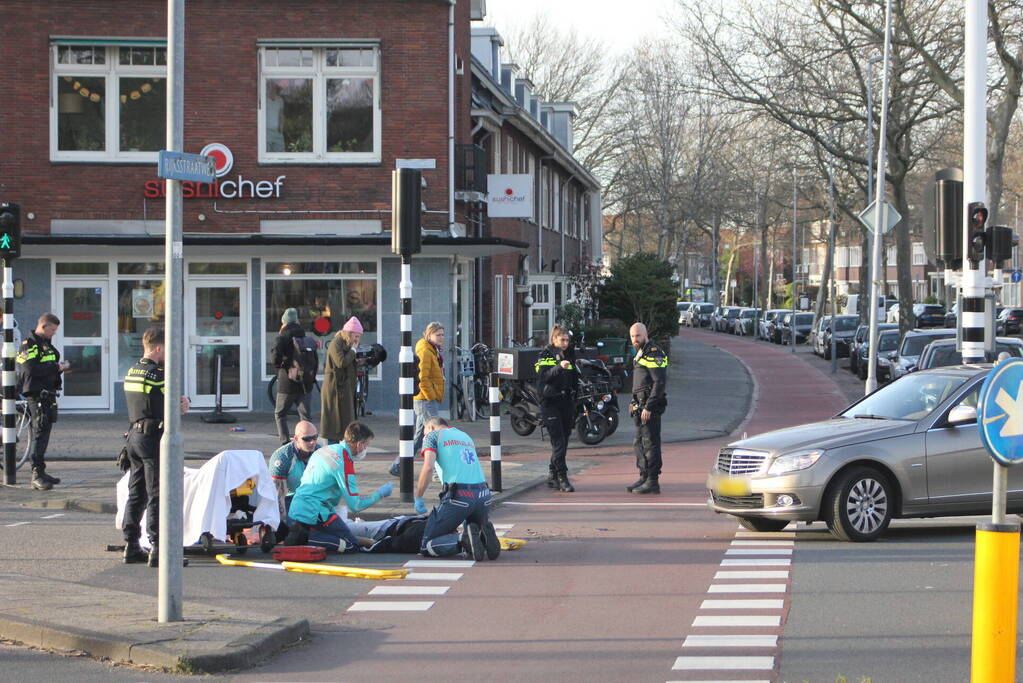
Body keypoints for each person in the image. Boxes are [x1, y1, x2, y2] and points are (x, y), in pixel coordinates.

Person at [121, 327, 191, 566]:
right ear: (159, 348)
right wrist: (184, 403)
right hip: (152, 438)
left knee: (136, 493)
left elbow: (145, 402)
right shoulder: (159, 374)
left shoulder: (132, 371)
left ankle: (131, 545)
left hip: (133, 437)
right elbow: (173, 405)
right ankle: (159, 548)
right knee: (157, 494)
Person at [283, 421, 392, 552]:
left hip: (302, 506)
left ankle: (298, 534)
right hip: (316, 511)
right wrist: (379, 494)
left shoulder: (325, 449)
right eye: (366, 444)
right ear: (359, 444)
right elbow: (355, 505)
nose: (365, 449)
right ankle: (303, 539)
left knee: (346, 536)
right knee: (350, 545)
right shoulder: (344, 461)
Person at [414, 417, 500, 560]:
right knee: (470, 528)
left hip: (459, 496)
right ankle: (481, 535)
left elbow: (428, 467)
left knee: (427, 545)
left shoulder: (432, 436)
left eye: (424, 433)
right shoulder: (465, 436)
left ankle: (462, 540)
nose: (424, 436)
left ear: (430, 427)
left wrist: (418, 497)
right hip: (483, 495)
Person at [16, 312, 70, 491]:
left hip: (48, 394)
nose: (54, 333)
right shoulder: (28, 344)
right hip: (36, 395)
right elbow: (29, 370)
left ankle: (41, 470)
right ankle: (36, 474)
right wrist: (56, 367)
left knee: (45, 431)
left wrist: (60, 369)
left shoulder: (45, 344)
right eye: (52, 330)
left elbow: (46, 367)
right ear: (44, 326)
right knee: (39, 432)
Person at [390, 322, 445, 477]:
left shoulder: (433, 350)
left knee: (420, 436)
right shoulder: (426, 352)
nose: (441, 337)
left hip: (426, 399)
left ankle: (398, 465)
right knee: (435, 434)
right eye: (438, 334)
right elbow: (422, 377)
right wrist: (430, 395)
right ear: (429, 335)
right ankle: (436, 472)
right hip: (424, 400)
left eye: (442, 334)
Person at [534, 324, 580, 492]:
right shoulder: (545, 355)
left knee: (564, 439)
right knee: (558, 440)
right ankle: (562, 477)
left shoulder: (570, 353)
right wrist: (559, 367)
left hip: (566, 401)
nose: (565, 343)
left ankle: (553, 473)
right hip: (550, 402)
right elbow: (543, 376)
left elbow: (574, 377)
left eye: (567, 340)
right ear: (554, 340)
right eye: (562, 340)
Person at [627, 322, 668, 494]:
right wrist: (633, 401)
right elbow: (640, 382)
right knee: (639, 443)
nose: (635, 339)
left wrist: (649, 407)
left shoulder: (654, 353)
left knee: (651, 443)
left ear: (645, 334)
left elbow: (659, 383)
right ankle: (644, 475)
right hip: (640, 405)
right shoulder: (641, 353)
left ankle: (653, 481)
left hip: (649, 407)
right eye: (632, 336)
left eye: (638, 336)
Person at [268, 419, 320, 536]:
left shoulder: (320, 452)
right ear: (295, 439)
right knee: (297, 532)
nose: (312, 442)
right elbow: (278, 496)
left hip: (313, 498)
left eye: (315, 437)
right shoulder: (282, 458)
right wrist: (283, 526)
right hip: (290, 499)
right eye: (306, 439)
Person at [271, 308, 313, 445]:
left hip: (287, 383)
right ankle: (306, 442)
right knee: (305, 417)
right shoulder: (305, 338)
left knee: (280, 414)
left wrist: (281, 365)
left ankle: (285, 442)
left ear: (284, 322)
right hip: (305, 383)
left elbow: (275, 357)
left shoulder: (282, 337)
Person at [321, 317, 362, 444]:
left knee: (346, 423)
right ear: (348, 334)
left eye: (359, 337)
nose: (357, 340)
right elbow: (341, 362)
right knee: (334, 424)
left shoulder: (346, 344)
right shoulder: (336, 343)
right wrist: (353, 351)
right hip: (334, 391)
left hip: (344, 390)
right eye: (355, 336)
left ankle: (342, 451)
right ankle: (331, 452)